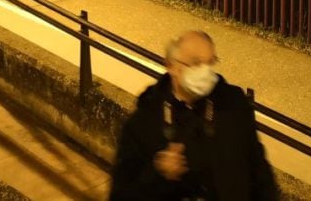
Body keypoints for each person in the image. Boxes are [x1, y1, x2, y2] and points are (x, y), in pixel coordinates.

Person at [110, 30, 280, 200]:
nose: (205, 72)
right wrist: (157, 174)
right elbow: (122, 193)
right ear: (171, 65)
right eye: (196, 63)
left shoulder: (233, 105)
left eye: (210, 62)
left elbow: (259, 171)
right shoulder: (145, 120)